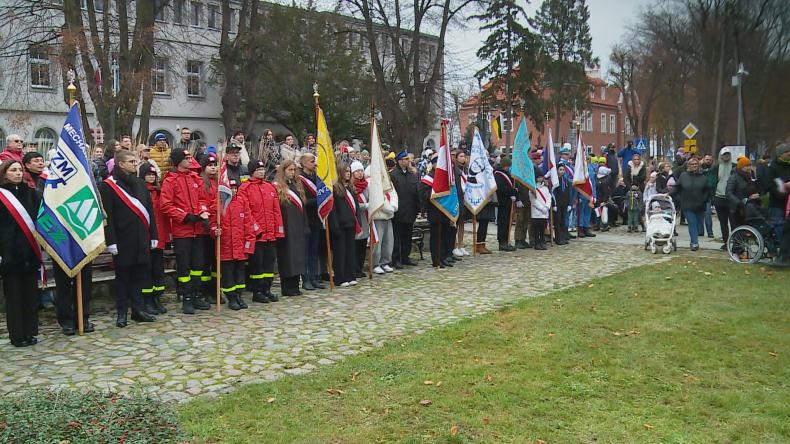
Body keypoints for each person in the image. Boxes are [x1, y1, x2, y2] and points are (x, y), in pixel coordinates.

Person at [98, 150, 158, 327]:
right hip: (122, 239)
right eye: (131, 161)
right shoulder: (107, 186)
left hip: (141, 238)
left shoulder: (140, 184)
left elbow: (149, 213)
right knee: (123, 278)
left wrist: (153, 235)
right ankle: (122, 312)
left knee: (140, 276)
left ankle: (138, 310)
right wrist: (111, 241)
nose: (135, 164)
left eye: (135, 161)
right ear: (120, 164)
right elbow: (107, 216)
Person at [160, 149, 211, 314]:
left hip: (198, 229)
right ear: (178, 161)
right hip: (182, 231)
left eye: (190, 157)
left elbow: (203, 199)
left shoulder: (195, 178)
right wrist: (187, 217)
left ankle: (196, 295)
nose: (190, 160)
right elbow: (166, 206)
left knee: (198, 265)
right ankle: (186, 298)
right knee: (184, 267)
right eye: (186, 158)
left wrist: (202, 212)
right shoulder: (170, 181)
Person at [0, 160, 42, 347]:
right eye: (13, 170)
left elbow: (41, 219)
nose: (17, 173)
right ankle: (17, 335)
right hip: (10, 254)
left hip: (30, 252)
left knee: (30, 296)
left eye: (19, 170)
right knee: (15, 297)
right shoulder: (2, 196)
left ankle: (30, 331)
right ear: (4, 173)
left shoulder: (31, 194)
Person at [239, 159, 284, 301]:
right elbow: (246, 212)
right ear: (252, 172)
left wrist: (279, 230)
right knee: (256, 265)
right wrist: (255, 229)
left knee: (269, 264)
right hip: (256, 235)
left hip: (270, 234)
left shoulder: (269, 187)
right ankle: (257, 291)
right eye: (259, 170)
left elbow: (276, 210)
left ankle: (266, 289)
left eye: (263, 169)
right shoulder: (245, 188)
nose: (262, 172)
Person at [212, 176, 256, 310]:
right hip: (225, 247)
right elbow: (213, 223)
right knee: (228, 274)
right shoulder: (218, 204)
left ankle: (239, 296)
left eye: (235, 188)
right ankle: (231, 297)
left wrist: (249, 243)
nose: (234, 190)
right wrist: (215, 230)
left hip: (240, 247)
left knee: (239, 274)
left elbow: (248, 223)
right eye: (231, 188)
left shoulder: (242, 202)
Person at [139, 161, 169, 314]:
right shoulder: (138, 192)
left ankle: (157, 297)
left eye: (153, 175)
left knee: (158, 269)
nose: (151, 177)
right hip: (145, 237)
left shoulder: (159, 192)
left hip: (159, 236)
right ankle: (147, 299)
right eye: (148, 175)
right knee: (146, 269)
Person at [275, 160, 308, 296]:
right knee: (287, 257)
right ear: (283, 171)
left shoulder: (297, 186)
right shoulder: (277, 187)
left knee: (298, 257)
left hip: (298, 226)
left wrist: (305, 226)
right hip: (286, 226)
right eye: (290, 170)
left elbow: (303, 208)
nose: (293, 172)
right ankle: (287, 286)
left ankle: (295, 285)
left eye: (294, 170)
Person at [298, 153, 328, 288]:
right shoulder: (300, 179)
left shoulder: (317, 177)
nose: (315, 164)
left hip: (316, 218)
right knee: (306, 251)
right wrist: (319, 201)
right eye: (311, 161)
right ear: (304, 163)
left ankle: (314, 277)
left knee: (314, 250)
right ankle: (306, 279)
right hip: (306, 218)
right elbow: (302, 201)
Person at [329, 161, 360, 286]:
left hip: (351, 224)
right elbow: (333, 209)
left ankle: (350, 275)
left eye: (349, 171)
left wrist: (357, 220)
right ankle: (340, 277)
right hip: (340, 225)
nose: (348, 174)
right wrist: (334, 224)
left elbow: (356, 206)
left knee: (350, 251)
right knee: (340, 252)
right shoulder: (335, 188)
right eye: (346, 171)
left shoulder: (351, 188)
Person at [420, 155, 454, 268]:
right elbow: (424, 195)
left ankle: (443, 257)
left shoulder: (446, 177)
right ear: (434, 165)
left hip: (445, 211)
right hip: (435, 212)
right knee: (436, 237)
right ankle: (436, 259)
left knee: (445, 236)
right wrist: (436, 193)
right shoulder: (428, 178)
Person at [671, 157, 711, 251]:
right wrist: (669, 194)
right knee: (692, 223)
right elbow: (677, 188)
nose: (694, 166)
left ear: (699, 166)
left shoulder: (703, 177)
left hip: (700, 205)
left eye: (696, 164)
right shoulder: (683, 176)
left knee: (697, 224)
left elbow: (708, 191)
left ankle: (694, 240)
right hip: (687, 205)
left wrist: (704, 199)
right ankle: (694, 243)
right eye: (692, 164)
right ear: (689, 165)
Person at [390, 150, 419, 268]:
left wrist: (418, 208)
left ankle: (405, 256)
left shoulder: (411, 175)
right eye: (406, 159)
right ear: (400, 161)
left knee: (407, 236)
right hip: (399, 211)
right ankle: (396, 258)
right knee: (397, 237)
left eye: (408, 159)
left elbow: (415, 192)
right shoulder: (393, 175)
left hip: (410, 210)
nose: (408, 161)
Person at [726, 156, 762, 229]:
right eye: (746, 166)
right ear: (741, 167)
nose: (749, 167)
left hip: (748, 208)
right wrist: (739, 203)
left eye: (749, 165)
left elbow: (752, 189)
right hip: (736, 210)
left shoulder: (750, 177)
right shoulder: (734, 177)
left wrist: (756, 195)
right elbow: (729, 193)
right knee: (738, 231)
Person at [710, 147, 735, 248]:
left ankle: (736, 242)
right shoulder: (716, 167)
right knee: (723, 222)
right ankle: (726, 242)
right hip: (719, 197)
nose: (726, 156)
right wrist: (712, 196)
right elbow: (711, 182)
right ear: (721, 155)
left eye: (728, 154)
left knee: (733, 221)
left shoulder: (734, 167)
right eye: (724, 154)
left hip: (731, 198)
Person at [351, 161, 370, 278]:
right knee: (355, 246)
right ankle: (354, 268)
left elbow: (368, 198)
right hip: (357, 219)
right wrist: (366, 205)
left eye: (361, 171)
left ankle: (360, 267)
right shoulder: (352, 187)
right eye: (357, 171)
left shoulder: (365, 186)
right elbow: (355, 204)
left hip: (365, 219)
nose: (360, 173)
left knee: (363, 245)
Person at [766, 144, 790, 241]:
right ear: (780, 154)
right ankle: (780, 248)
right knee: (779, 226)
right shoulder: (773, 167)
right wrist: (785, 187)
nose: (789, 153)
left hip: (788, 202)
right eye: (786, 152)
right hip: (777, 203)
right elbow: (770, 186)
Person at [493, 156, 517, 251]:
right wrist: (512, 192)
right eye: (507, 166)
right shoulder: (498, 174)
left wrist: (514, 192)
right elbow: (501, 188)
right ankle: (502, 242)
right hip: (502, 201)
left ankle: (506, 241)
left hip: (508, 202)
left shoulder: (507, 174)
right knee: (503, 223)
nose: (508, 168)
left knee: (507, 223)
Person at [529, 169, 551, 250]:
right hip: (536, 212)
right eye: (539, 177)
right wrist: (541, 208)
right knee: (536, 229)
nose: (541, 179)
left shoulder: (545, 188)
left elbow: (549, 197)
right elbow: (533, 200)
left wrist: (547, 207)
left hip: (544, 212)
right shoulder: (532, 188)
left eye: (541, 177)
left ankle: (542, 241)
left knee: (542, 228)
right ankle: (537, 243)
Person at [553, 164, 571, 245]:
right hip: (557, 203)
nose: (562, 171)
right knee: (558, 220)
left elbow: (568, 192)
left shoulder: (565, 180)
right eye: (560, 170)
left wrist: (569, 203)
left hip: (564, 203)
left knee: (563, 220)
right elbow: (553, 193)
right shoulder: (555, 181)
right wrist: (554, 204)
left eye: (563, 170)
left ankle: (563, 237)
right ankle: (558, 238)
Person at [595, 164, 613, 231]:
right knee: (602, 212)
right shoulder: (605, 180)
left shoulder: (597, 179)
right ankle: (603, 225)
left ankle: (599, 225)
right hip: (601, 199)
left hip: (598, 198)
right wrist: (605, 200)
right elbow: (606, 192)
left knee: (599, 212)